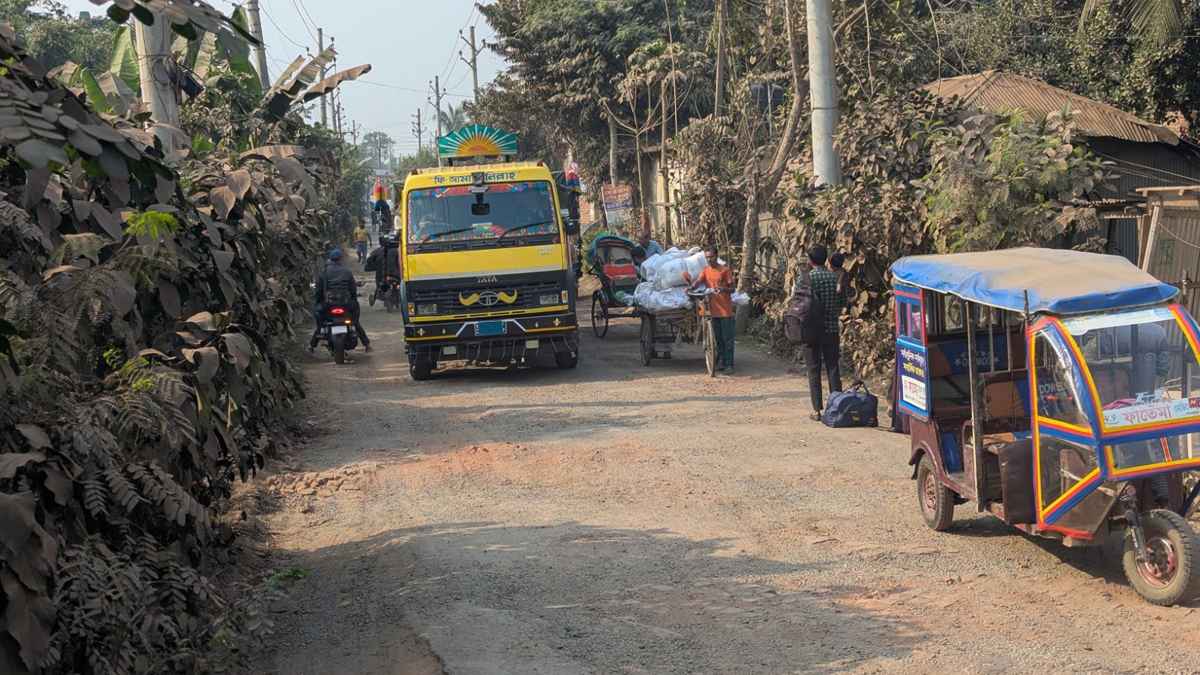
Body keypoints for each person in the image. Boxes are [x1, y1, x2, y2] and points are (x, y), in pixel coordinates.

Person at [803, 245, 846, 420]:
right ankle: (837, 407)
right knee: (833, 367)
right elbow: (842, 301)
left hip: (812, 330)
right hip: (831, 329)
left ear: (810, 260)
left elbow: (800, 304)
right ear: (826, 259)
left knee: (813, 369)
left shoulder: (807, 278)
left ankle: (817, 410)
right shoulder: (834, 277)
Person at [309, 248, 371, 353]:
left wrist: (318, 302)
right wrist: (353, 300)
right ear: (340, 259)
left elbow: (318, 291)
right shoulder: (347, 271)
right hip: (346, 304)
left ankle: (312, 345)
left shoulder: (324, 272)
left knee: (321, 322)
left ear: (330, 259)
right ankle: (366, 344)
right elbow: (352, 289)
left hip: (328, 305)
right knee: (355, 321)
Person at [693, 244, 736, 374]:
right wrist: (691, 287)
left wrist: (723, 289)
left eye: (711, 257)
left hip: (725, 310)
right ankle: (721, 361)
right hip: (713, 310)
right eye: (707, 257)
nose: (709, 259)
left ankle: (729, 365)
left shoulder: (725, 270)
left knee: (727, 339)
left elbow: (732, 288)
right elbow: (698, 281)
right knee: (718, 339)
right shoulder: (706, 270)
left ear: (716, 256)